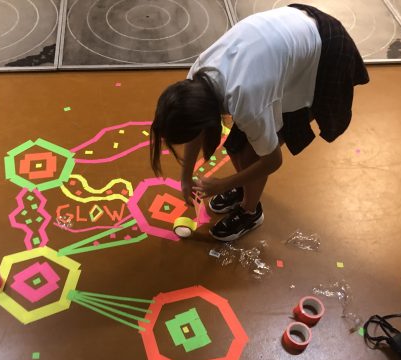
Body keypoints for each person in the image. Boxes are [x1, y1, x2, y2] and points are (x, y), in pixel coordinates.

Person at [149, 4, 369, 241]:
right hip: (289, 39)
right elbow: (196, 129)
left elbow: (272, 160)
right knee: (236, 147)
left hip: (326, 49)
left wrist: (223, 184)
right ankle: (245, 189)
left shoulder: (246, 97)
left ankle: (250, 212)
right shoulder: (195, 80)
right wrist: (185, 177)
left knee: (250, 155)